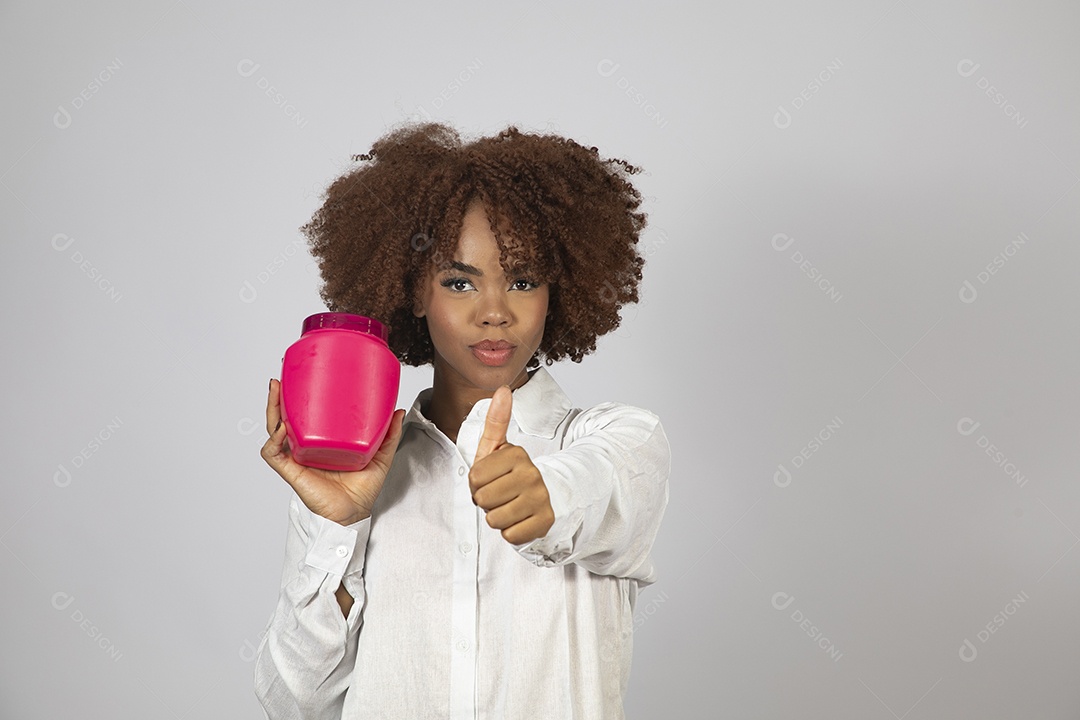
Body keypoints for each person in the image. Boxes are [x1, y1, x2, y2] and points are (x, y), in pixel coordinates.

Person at [254, 121, 671, 719]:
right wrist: (340, 528)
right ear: (414, 293)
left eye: (522, 281)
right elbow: (296, 706)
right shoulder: (355, 477)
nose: (495, 312)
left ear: (555, 293)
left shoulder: (622, 441)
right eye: (459, 282)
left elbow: (594, 490)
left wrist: (544, 495)